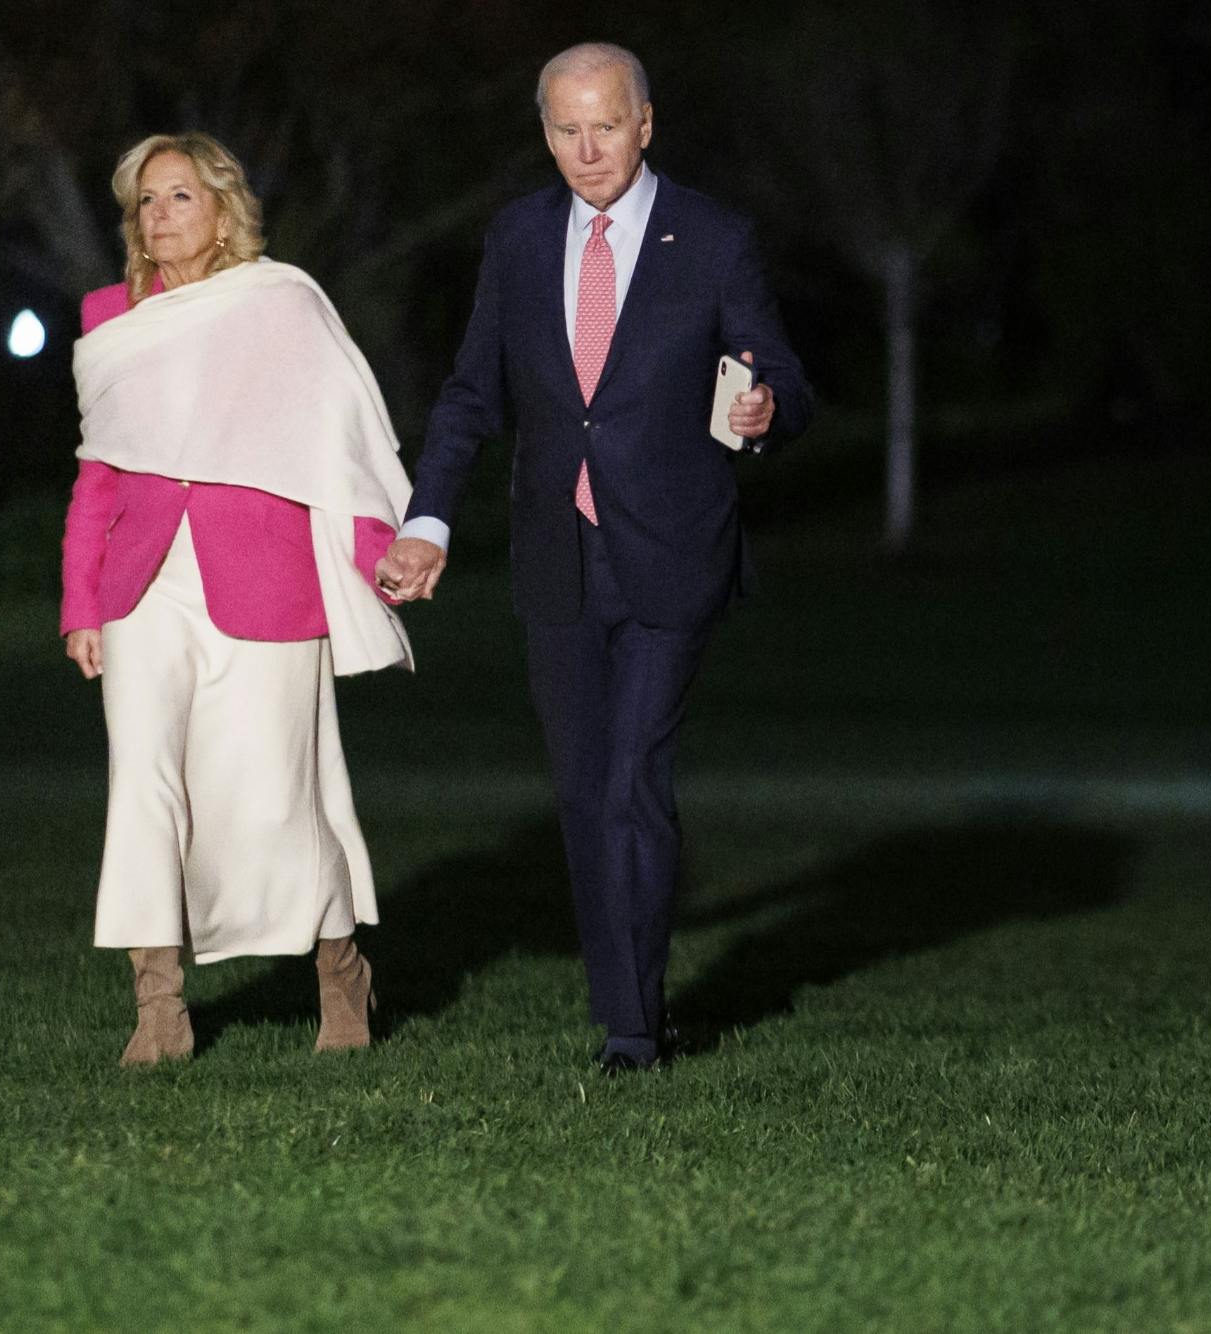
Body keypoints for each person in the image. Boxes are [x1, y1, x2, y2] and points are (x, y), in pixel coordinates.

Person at [375, 42, 814, 1073]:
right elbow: (472, 393)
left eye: (605, 126)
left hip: (671, 552)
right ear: (544, 132)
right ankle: (625, 1002)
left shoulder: (709, 237)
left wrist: (760, 409)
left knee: (629, 777)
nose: (586, 150)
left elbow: (783, 374)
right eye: (565, 129)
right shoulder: (519, 237)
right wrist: (427, 520)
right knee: (581, 789)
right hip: (555, 553)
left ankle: (631, 1028)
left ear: (645, 122)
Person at [60, 132, 416, 1066]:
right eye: (146, 201)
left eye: (181, 195)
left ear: (223, 209)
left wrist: (384, 550)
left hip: (264, 575)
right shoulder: (109, 317)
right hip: (141, 586)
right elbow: (95, 478)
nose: (162, 214)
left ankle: (342, 973)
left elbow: (339, 441)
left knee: (276, 796)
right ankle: (159, 1007)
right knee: (142, 784)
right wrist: (79, 604)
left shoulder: (280, 303)